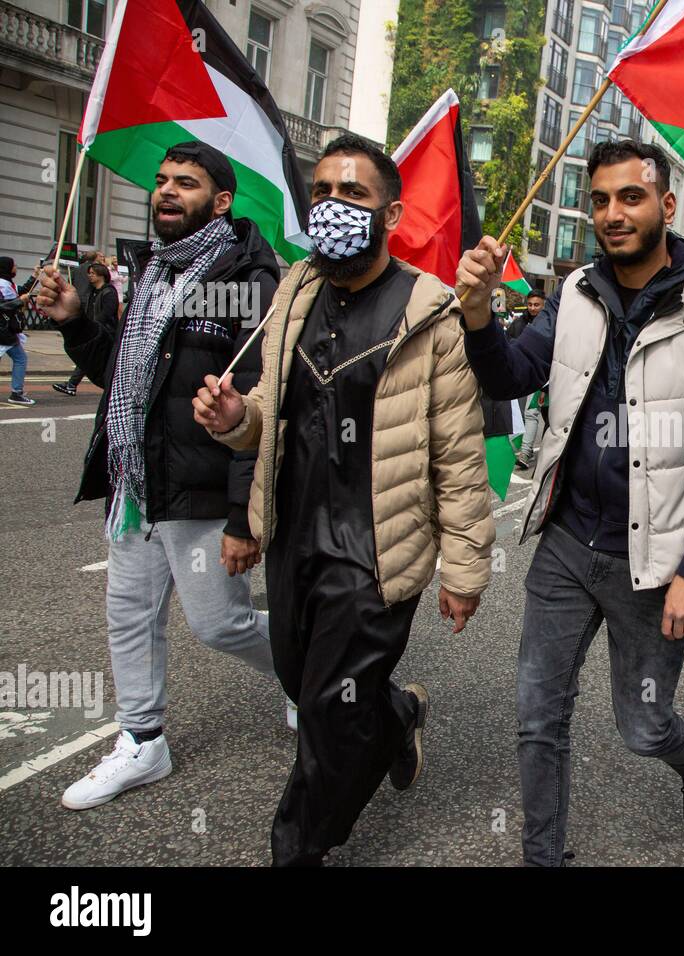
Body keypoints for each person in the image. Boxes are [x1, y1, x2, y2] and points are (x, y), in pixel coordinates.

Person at [195, 133, 496, 867]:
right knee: (305, 681)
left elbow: (458, 454)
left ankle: (299, 845)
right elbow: (271, 406)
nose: (333, 206)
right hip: (296, 534)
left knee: (328, 711)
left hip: (376, 549)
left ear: (390, 214)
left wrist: (465, 568)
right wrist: (239, 423)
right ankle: (397, 714)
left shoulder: (429, 313)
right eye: (323, 191)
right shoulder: (294, 290)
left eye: (353, 195)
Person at [457, 139, 684, 866]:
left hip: (654, 563)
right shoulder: (575, 292)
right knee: (538, 717)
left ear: (666, 205)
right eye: (599, 200)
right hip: (566, 542)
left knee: (644, 725)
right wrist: (475, 316)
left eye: (630, 197)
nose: (613, 214)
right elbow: (508, 375)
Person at [34, 141, 283, 810]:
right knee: (129, 614)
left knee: (220, 626)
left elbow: (259, 408)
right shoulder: (150, 269)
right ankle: (143, 741)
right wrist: (76, 322)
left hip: (199, 486)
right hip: (135, 478)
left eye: (187, 183)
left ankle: (310, 672)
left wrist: (241, 517)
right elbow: (125, 371)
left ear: (221, 202)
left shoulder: (250, 280)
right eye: (163, 181)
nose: (167, 191)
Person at [54, 262, 119, 396]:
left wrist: (93, 327)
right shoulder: (93, 292)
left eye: (93, 273)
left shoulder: (109, 291)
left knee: (90, 359)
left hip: (107, 333)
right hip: (95, 332)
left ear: (101, 275)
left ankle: (72, 385)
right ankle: (72, 385)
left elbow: (108, 313)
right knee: (88, 358)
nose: (89, 276)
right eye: (89, 273)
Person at [511, 289, 547, 470]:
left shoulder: (553, 323)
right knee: (521, 412)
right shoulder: (519, 324)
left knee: (536, 414)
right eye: (530, 304)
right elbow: (509, 343)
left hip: (545, 378)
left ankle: (528, 453)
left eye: (537, 305)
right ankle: (520, 451)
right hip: (522, 375)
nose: (533, 308)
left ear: (544, 305)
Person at [0, 256, 36, 406]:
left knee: (20, 358)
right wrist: (20, 301)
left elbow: (20, 291)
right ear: (7, 267)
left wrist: (35, 276)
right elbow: (2, 305)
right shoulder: (1, 284)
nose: (16, 267)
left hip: (7, 330)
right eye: (14, 265)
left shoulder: (7, 283)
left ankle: (17, 392)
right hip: (3, 331)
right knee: (20, 359)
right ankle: (16, 393)